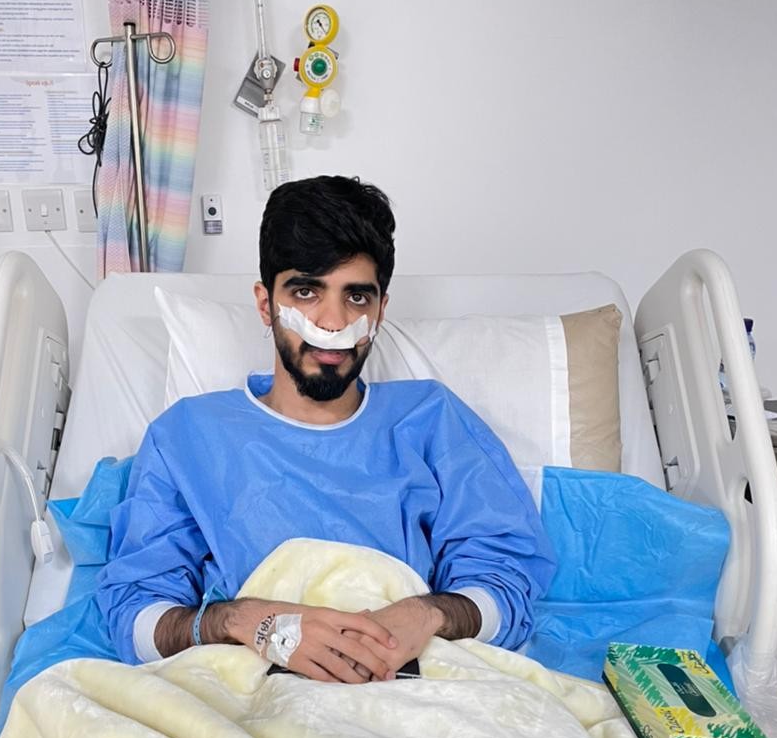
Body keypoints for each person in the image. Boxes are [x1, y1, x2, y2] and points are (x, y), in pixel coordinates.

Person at [97, 176, 555, 683]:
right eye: (306, 292)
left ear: (381, 310)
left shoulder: (430, 420)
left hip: (404, 684)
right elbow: (135, 620)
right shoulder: (189, 436)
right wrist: (246, 622)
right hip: (254, 690)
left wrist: (427, 615)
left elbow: (507, 591)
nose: (333, 323)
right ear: (265, 304)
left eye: (356, 297)